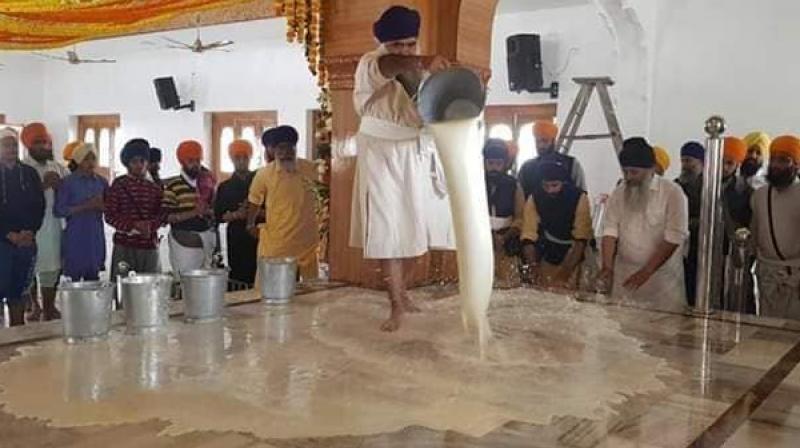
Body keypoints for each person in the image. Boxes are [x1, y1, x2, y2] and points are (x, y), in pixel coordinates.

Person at [349, 5, 455, 332]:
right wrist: (421, 60)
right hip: (381, 153)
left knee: (414, 228)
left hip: (416, 151)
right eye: (397, 44)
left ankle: (403, 294)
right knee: (388, 230)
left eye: (411, 44)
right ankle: (395, 306)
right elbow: (390, 64)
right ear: (384, 43)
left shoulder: (421, 68)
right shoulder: (372, 62)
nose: (405, 50)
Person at [598, 137, 689, 312]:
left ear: (651, 169)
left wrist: (646, 272)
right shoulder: (618, 193)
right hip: (624, 282)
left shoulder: (673, 193)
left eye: (634, 172)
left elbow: (674, 237)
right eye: (625, 172)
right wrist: (607, 267)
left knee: (662, 336)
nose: (628, 178)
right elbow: (609, 231)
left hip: (661, 286)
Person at [247, 126, 319, 281]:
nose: (286, 152)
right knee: (272, 288)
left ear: (295, 147)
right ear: (273, 151)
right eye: (281, 148)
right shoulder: (264, 174)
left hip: (307, 244)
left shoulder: (311, 169)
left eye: (290, 147)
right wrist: (250, 224)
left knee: (310, 293)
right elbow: (254, 200)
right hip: (277, 242)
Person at [750, 135, 800, 319]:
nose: (777, 165)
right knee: (766, 333)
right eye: (774, 159)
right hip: (767, 275)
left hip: (795, 278)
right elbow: (754, 233)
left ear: (796, 164)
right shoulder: (760, 195)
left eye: (784, 160)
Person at [521, 162, 593, 289]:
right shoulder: (535, 198)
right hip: (549, 253)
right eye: (546, 186)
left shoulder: (579, 198)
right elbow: (528, 235)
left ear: (563, 183)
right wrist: (533, 267)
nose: (550, 190)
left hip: (574, 256)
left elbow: (581, 239)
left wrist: (564, 275)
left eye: (554, 185)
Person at [21, 123, 66, 321]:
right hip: (28, 226)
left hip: (53, 225)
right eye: (38, 142)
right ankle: (34, 306)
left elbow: (70, 192)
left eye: (45, 142)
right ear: (29, 145)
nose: (43, 146)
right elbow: (18, 197)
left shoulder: (56, 166)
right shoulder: (22, 168)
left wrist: (60, 186)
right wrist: (42, 185)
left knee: (51, 267)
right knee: (29, 268)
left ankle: (49, 307)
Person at [0, 128, 45, 326]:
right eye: (6, 145)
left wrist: (30, 231)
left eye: (14, 145)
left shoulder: (29, 173)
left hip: (26, 241)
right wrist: (8, 234)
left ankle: (17, 337)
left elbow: (39, 205)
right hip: (3, 242)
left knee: (18, 292)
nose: (11, 149)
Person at [105, 139, 164, 287]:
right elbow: (110, 215)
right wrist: (133, 226)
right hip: (124, 246)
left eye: (143, 161)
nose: (139, 165)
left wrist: (150, 226)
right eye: (134, 161)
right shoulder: (119, 185)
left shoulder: (155, 188)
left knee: (150, 290)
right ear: (127, 163)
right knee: (123, 290)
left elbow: (162, 215)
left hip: (149, 246)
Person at [54, 143, 108, 281]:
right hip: (75, 235)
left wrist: (102, 206)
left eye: (93, 159)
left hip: (95, 235)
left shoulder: (102, 182)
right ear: (78, 160)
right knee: (74, 280)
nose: (91, 163)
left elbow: (110, 208)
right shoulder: (67, 183)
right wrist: (86, 206)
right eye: (86, 159)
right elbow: (59, 210)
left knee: (93, 279)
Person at [163, 140, 216, 278]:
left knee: (205, 288)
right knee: (185, 287)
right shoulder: (173, 186)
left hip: (207, 243)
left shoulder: (208, 183)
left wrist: (209, 211)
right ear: (182, 161)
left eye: (198, 160)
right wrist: (195, 212)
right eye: (190, 160)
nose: (196, 164)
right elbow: (167, 217)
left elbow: (214, 211)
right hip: (184, 246)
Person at [215, 139, 258, 287]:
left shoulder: (260, 181)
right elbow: (218, 216)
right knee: (239, 276)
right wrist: (236, 215)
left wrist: (253, 211)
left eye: (244, 157)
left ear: (250, 158)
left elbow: (272, 208)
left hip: (259, 234)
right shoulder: (225, 187)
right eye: (237, 158)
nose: (241, 161)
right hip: (237, 237)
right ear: (232, 159)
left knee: (260, 274)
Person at [483, 139, 524, 288]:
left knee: (508, 286)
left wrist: (504, 237)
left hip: (507, 239)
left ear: (505, 164)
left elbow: (520, 217)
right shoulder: (476, 184)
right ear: (485, 163)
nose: (494, 168)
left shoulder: (514, 185)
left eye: (498, 164)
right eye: (490, 163)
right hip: (481, 239)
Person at [720, 136, 754, 312]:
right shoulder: (700, 184)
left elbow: (750, 226)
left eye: (729, 163)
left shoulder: (746, 192)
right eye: (721, 161)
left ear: (737, 164)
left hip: (735, 257)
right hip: (707, 255)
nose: (724, 167)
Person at [518, 120, 587, 199]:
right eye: (537, 141)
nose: (541, 146)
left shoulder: (571, 164)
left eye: (544, 141)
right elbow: (520, 198)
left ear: (553, 141)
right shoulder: (527, 167)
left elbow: (582, 196)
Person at [675, 141, 705, 307]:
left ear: (701, 162)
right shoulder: (676, 186)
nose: (685, 165)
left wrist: (687, 223)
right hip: (680, 249)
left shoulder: (710, 187)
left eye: (689, 161)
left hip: (700, 248)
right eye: (683, 161)